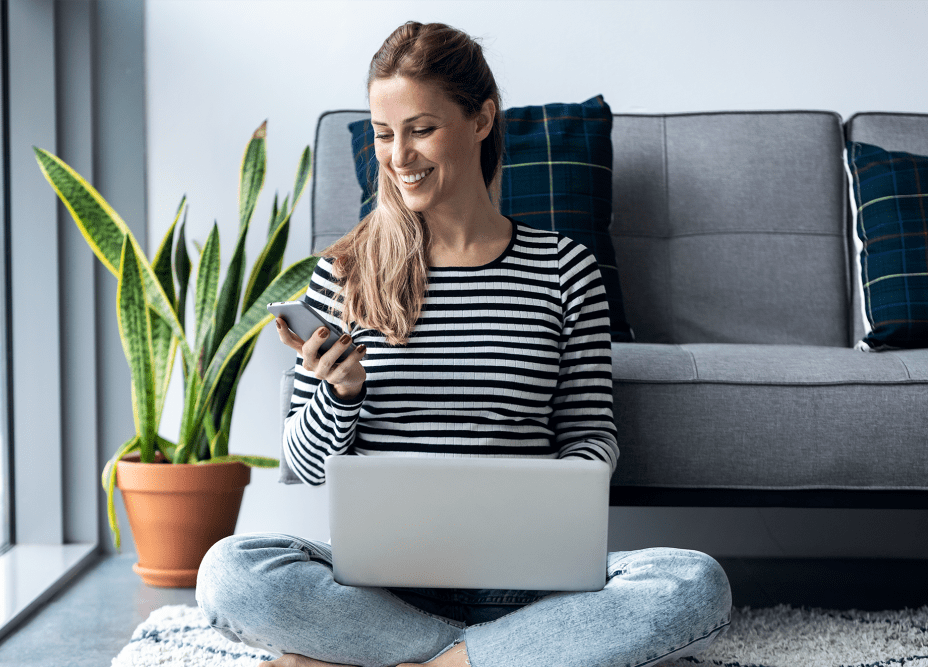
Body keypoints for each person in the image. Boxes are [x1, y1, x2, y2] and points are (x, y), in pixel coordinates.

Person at [196, 21, 732, 667]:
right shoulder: (347, 270)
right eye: (385, 133)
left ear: (481, 118)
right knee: (229, 570)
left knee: (694, 583)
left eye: (421, 129)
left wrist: (552, 497)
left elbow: (589, 434)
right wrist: (340, 395)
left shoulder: (565, 269)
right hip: (379, 589)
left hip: (528, 587)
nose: (399, 157)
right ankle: (488, 659)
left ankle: (398, 660)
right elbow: (305, 465)